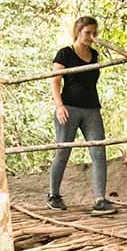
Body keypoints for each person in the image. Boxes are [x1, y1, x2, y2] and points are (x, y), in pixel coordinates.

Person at [48, 16, 116, 215]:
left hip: (92, 109)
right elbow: (55, 81)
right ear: (78, 31)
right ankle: (54, 195)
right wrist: (59, 106)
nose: (91, 37)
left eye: (94, 33)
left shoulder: (94, 54)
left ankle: (100, 199)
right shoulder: (65, 53)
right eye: (87, 33)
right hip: (68, 107)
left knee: (98, 151)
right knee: (63, 151)